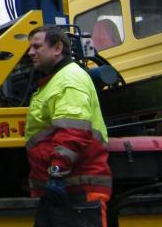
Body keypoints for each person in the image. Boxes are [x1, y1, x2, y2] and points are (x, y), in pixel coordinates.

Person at [25, 25, 111, 226]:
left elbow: (73, 131)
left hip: (76, 187)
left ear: (57, 48)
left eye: (37, 46)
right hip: (67, 187)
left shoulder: (68, 80)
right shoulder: (57, 80)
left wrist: (57, 172)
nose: (30, 53)